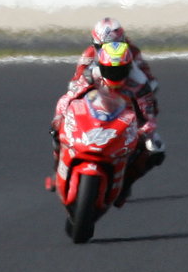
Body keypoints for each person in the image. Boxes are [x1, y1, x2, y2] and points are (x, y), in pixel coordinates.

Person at [50, 42, 165, 199]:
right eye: (109, 69)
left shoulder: (139, 84)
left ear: (128, 68)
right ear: (101, 66)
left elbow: (150, 117)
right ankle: (58, 170)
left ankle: (126, 182)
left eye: (119, 70)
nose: (114, 74)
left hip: (126, 123)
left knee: (156, 149)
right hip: (91, 117)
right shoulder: (91, 75)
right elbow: (68, 98)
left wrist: (143, 132)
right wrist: (59, 117)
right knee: (57, 132)